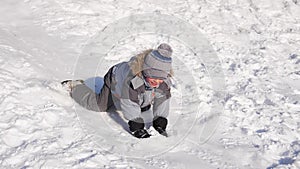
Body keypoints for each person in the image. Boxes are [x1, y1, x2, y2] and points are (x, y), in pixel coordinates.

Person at [62, 43, 173, 138]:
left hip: (139, 91)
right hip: (114, 80)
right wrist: (137, 125)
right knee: (99, 105)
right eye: (153, 77)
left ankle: (141, 102)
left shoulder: (162, 82)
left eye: (161, 79)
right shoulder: (132, 80)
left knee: (145, 104)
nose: (157, 81)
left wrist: (160, 120)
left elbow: (163, 99)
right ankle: (76, 87)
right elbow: (128, 101)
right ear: (146, 71)